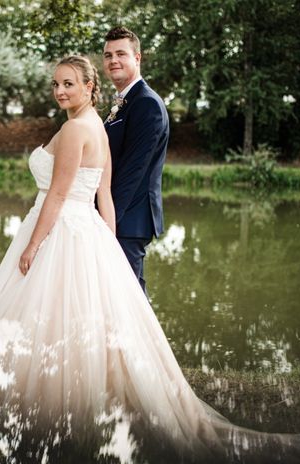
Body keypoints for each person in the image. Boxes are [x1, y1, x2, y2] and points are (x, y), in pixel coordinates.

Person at [0, 55, 300, 464]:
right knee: (72, 318)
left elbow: (57, 195)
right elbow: (103, 199)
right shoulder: (98, 130)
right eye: (55, 84)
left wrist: (33, 246)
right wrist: (108, 249)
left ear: (90, 86)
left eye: (68, 83)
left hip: (60, 230)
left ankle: (48, 409)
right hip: (83, 230)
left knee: (48, 314)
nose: (59, 91)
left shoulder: (74, 130)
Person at [102, 26, 169, 294]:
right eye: (108, 55)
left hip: (127, 220)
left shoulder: (146, 104)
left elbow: (133, 172)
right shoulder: (124, 101)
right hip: (120, 217)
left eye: (121, 54)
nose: (113, 60)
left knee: (128, 300)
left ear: (137, 58)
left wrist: (107, 223)